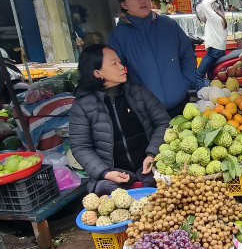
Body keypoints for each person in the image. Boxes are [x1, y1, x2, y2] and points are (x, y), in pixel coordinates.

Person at [69, 44, 170, 194]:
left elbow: (163, 122)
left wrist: (152, 154)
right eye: (114, 63)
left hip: (147, 167)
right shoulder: (82, 105)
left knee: (166, 186)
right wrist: (105, 173)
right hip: (112, 172)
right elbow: (80, 147)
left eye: (120, 62)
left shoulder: (137, 91)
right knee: (104, 190)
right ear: (97, 73)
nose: (122, 67)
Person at [107, 0, 197, 119]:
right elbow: (113, 72)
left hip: (181, 104)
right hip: (148, 113)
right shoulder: (119, 36)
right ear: (124, 4)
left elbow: (187, 54)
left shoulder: (168, 25)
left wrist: (186, 80)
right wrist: (133, 97)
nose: (142, 0)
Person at [195, 0, 228, 88]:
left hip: (214, 52)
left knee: (198, 75)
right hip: (219, 51)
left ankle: (201, 100)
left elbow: (205, 3)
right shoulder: (221, 18)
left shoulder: (214, 17)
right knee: (210, 76)